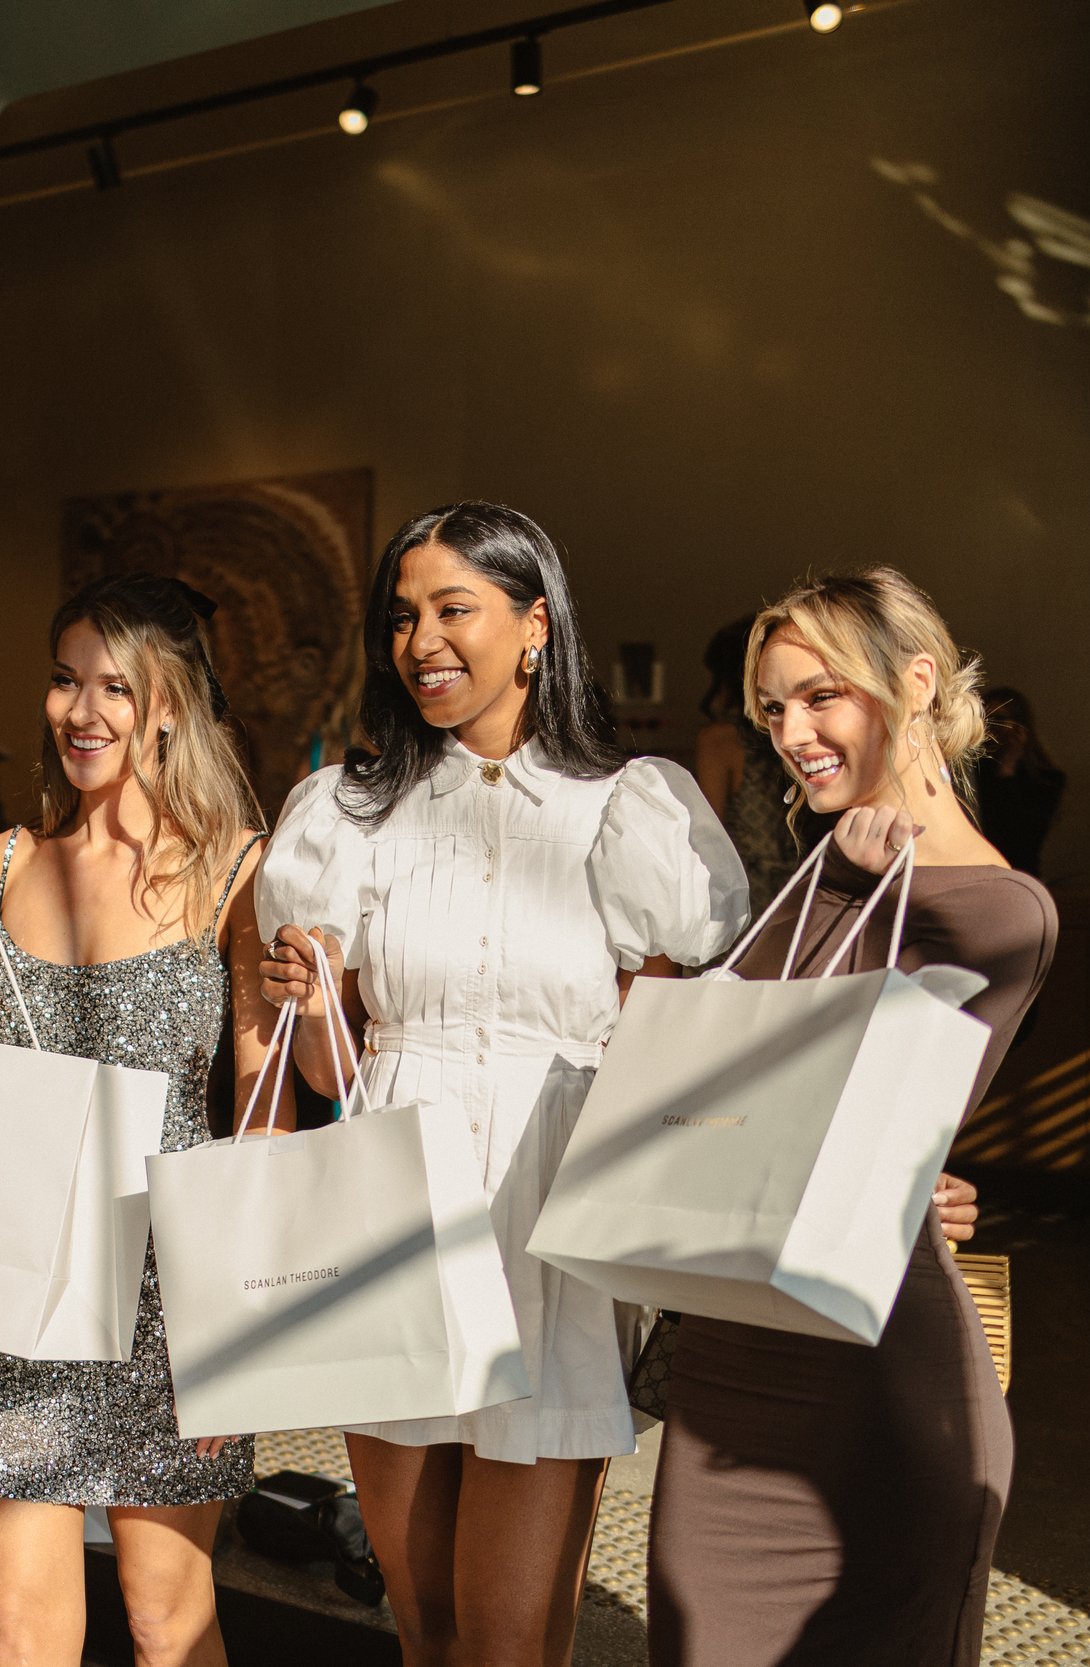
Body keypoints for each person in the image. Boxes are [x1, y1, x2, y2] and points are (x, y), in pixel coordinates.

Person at [255, 502, 749, 1667]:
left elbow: (678, 1029)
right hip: (395, 1194)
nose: (421, 639)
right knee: (420, 1617)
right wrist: (311, 995)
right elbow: (330, 1069)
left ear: (534, 625)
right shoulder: (351, 811)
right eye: (402, 616)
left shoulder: (627, 806)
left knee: (507, 1634)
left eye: (451, 608)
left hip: (547, 1206)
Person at [647, 569, 1056, 1667]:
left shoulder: (999, 910)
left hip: (878, 1384)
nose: (791, 732)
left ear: (915, 684)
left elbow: (829, 1096)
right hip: (733, 1358)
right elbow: (714, 1068)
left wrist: (846, 886)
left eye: (820, 696)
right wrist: (834, 879)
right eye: (772, 707)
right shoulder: (821, 876)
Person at [0, 572, 279, 1667]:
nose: (81, 711)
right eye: (65, 680)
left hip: (175, 1295)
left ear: (169, 703)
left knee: (166, 1622)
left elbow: (262, 1113)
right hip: (22, 1285)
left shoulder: (233, 872)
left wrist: (239, 1333)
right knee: (21, 1628)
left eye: (114, 687)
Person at [691, 615, 799, 912]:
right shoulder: (806, 732)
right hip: (805, 887)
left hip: (746, 893)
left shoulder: (720, 740)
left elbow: (709, 831)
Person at [969, 685, 1067, 876]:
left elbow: (1023, 835)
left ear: (1020, 725)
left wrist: (1007, 768)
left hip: (1020, 872)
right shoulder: (972, 771)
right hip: (977, 869)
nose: (992, 728)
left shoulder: (1047, 779)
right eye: (986, 719)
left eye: (1000, 720)